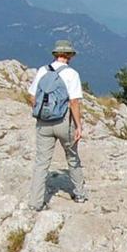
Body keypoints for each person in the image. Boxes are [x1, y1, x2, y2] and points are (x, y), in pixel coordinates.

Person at [27, 39, 86, 211]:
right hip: (63, 122)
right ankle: (79, 194)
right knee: (72, 157)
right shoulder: (72, 74)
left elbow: (32, 96)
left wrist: (43, 111)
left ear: (55, 54)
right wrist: (78, 126)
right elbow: (74, 102)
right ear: (69, 56)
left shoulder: (42, 71)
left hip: (43, 123)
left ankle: (35, 203)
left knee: (41, 163)